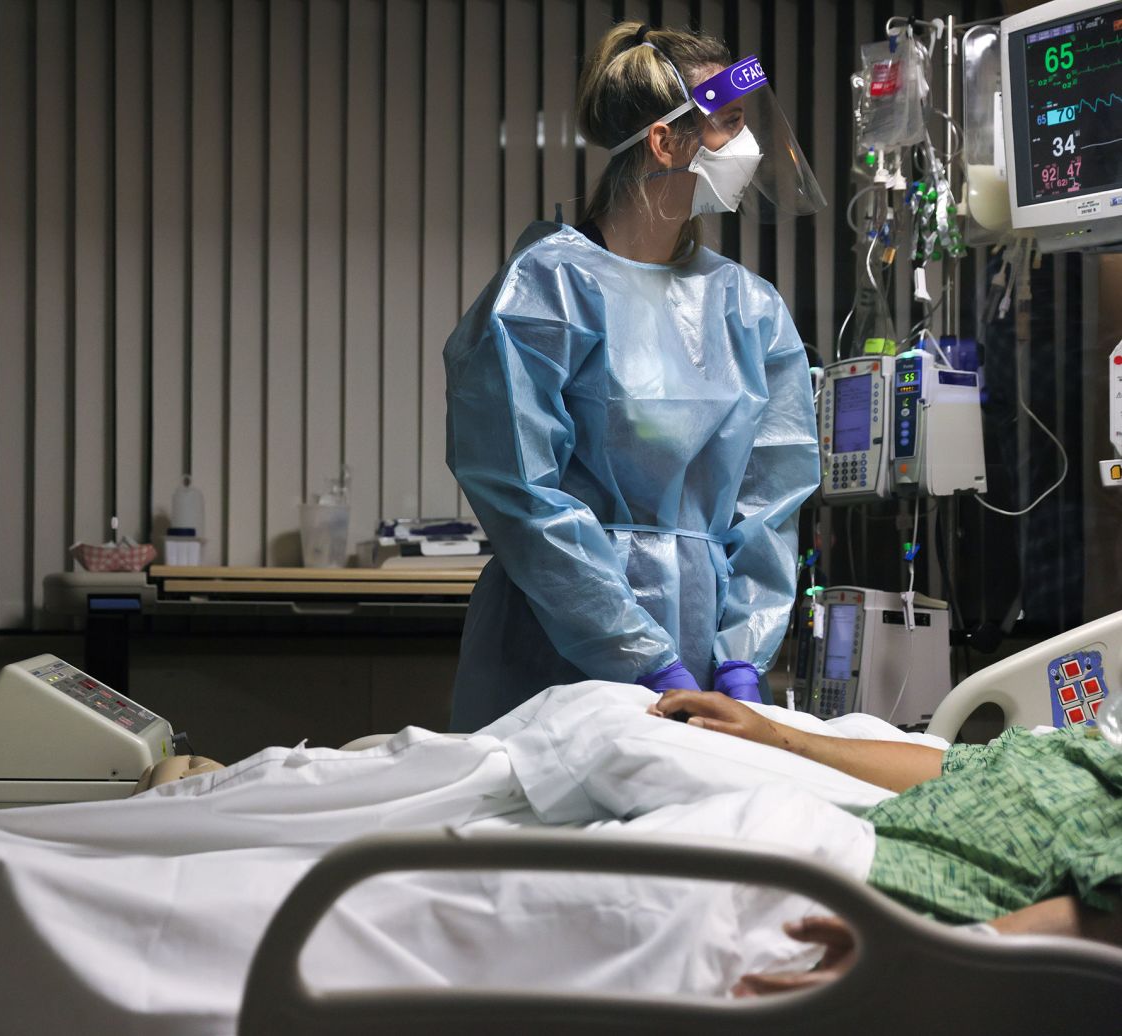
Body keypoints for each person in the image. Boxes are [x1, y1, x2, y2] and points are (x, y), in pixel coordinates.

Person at [445, 21, 826, 732]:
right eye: (730, 124)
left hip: (710, 652)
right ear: (664, 141)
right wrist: (643, 659)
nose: (748, 147)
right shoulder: (545, 293)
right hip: (553, 653)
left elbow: (771, 502)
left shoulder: (750, 309)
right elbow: (523, 496)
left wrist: (740, 660)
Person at [646, 689, 1122, 994]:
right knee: (604, 717)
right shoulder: (1093, 743)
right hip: (815, 842)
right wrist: (778, 736)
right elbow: (952, 765)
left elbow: (1102, 920)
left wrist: (938, 960)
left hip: (856, 912)